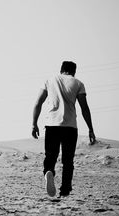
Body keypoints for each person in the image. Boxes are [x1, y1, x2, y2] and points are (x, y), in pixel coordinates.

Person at [32, 61, 96, 197]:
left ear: (61, 70)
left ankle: (49, 171)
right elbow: (85, 108)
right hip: (70, 126)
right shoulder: (78, 83)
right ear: (74, 71)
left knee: (50, 156)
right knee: (68, 161)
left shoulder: (50, 80)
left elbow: (38, 103)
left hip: (52, 125)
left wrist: (34, 123)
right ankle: (65, 190)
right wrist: (91, 129)